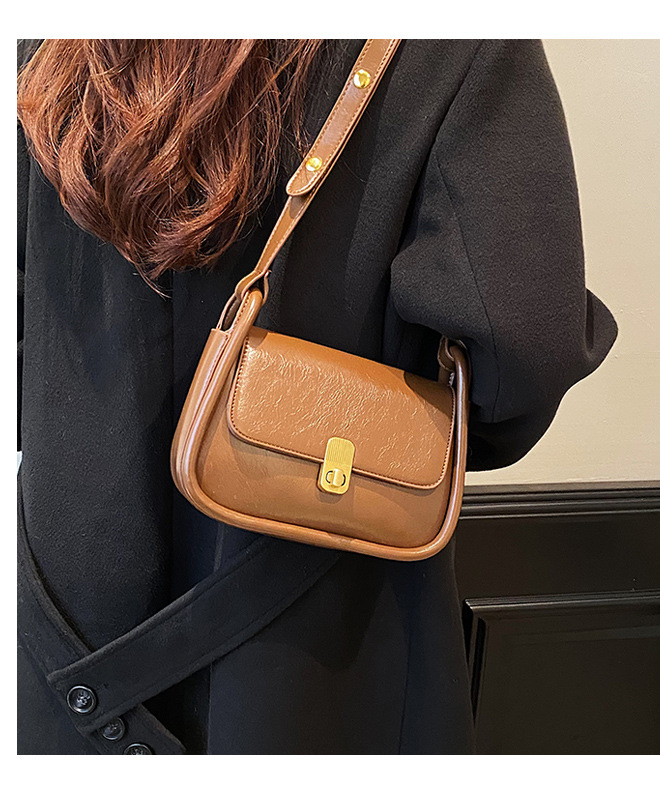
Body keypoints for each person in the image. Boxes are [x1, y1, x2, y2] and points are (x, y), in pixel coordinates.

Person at [17, 38, 617, 755]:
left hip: (65, 625)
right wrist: (388, 450)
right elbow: (520, 350)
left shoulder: (52, 39)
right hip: (325, 651)